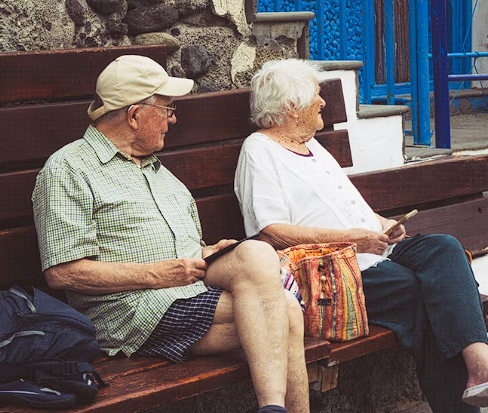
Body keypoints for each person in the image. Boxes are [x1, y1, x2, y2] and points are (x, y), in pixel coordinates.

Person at [32, 55, 309, 413]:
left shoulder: (160, 173)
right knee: (285, 310)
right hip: (131, 310)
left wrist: (208, 251)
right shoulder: (68, 169)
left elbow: (185, 251)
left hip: (187, 291)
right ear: (134, 115)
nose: (173, 118)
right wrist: (157, 274)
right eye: (167, 109)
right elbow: (62, 273)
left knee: (257, 254)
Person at [234, 58, 488, 412]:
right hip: (333, 273)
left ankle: (480, 362)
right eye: (316, 95)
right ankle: (476, 379)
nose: (323, 102)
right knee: (428, 295)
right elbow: (271, 232)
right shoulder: (259, 151)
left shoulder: (312, 146)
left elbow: (343, 207)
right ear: (291, 106)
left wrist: (382, 223)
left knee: (444, 248)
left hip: (374, 252)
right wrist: (354, 240)